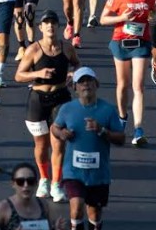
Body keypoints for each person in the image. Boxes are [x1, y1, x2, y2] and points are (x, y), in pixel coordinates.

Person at [15, 9, 79, 203]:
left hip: (60, 98)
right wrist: (38, 74)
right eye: (46, 23)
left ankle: (56, 183)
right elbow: (18, 75)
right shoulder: (33, 50)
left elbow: (77, 64)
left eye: (53, 22)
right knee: (41, 144)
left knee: (58, 142)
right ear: (40, 28)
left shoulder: (67, 48)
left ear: (58, 27)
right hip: (38, 99)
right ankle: (44, 178)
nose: (50, 26)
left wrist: (72, 76)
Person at [51, 68, 126, 230]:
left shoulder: (107, 110)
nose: (86, 84)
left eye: (89, 80)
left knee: (94, 213)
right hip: (73, 172)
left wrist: (102, 130)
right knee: (76, 208)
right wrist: (62, 133)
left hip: (98, 174)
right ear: (75, 87)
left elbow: (121, 138)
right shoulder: (67, 109)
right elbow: (55, 128)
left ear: (96, 84)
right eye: (81, 82)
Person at [99, 0, 155, 146]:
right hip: (121, 40)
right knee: (122, 85)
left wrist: (152, 17)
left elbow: (153, 12)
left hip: (141, 42)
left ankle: (138, 129)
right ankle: (122, 116)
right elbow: (103, 19)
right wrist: (122, 18)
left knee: (138, 86)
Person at [0, 162, 55, 230]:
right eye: (20, 182)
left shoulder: (43, 205)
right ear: (13, 184)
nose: (25, 185)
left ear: (36, 183)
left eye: (30, 181)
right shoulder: (3, 208)